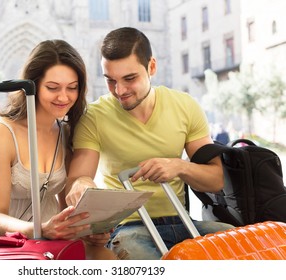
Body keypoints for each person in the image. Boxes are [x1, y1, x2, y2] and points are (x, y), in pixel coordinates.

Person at [65, 27, 234, 260]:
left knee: (244, 245)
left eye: (130, 78)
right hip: (128, 228)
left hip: (184, 222)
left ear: (151, 67)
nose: (120, 90)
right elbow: (77, 178)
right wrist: (80, 185)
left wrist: (180, 166)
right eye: (110, 81)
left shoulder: (184, 106)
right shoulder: (94, 116)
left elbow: (215, 180)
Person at [0, 39, 116, 260]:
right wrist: (41, 229)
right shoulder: (2, 133)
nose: (64, 97)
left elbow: (67, 209)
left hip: (52, 239)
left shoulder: (67, 133)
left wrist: (88, 232)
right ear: (31, 85)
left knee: (106, 257)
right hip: (9, 241)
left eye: (72, 88)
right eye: (53, 88)